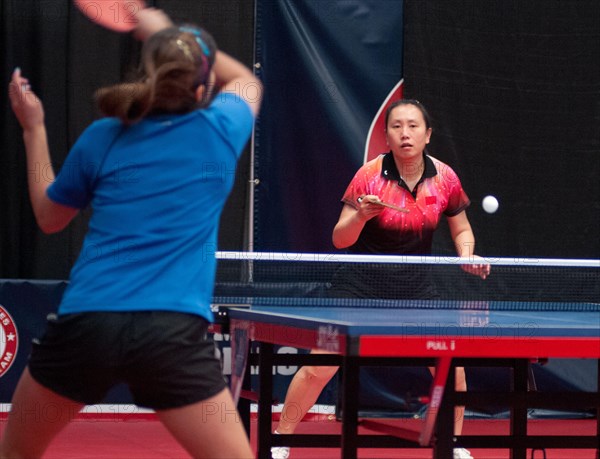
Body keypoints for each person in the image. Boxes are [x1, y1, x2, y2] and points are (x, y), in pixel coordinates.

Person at [2, 7, 261, 459]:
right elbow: (246, 80)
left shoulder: (105, 135)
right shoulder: (219, 130)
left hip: (87, 327)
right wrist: (168, 32)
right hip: (170, 335)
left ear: (148, 73)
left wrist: (33, 128)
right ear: (202, 89)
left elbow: (49, 217)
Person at [271, 99, 489, 459]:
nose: (405, 133)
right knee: (317, 369)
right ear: (386, 136)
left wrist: (467, 254)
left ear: (428, 134)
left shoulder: (445, 178)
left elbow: (461, 229)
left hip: (416, 286)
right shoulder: (369, 176)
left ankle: (451, 444)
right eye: (397, 126)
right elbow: (339, 240)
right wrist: (360, 216)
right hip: (359, 283)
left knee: (453, 370)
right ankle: (282, 437)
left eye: (413, 126)